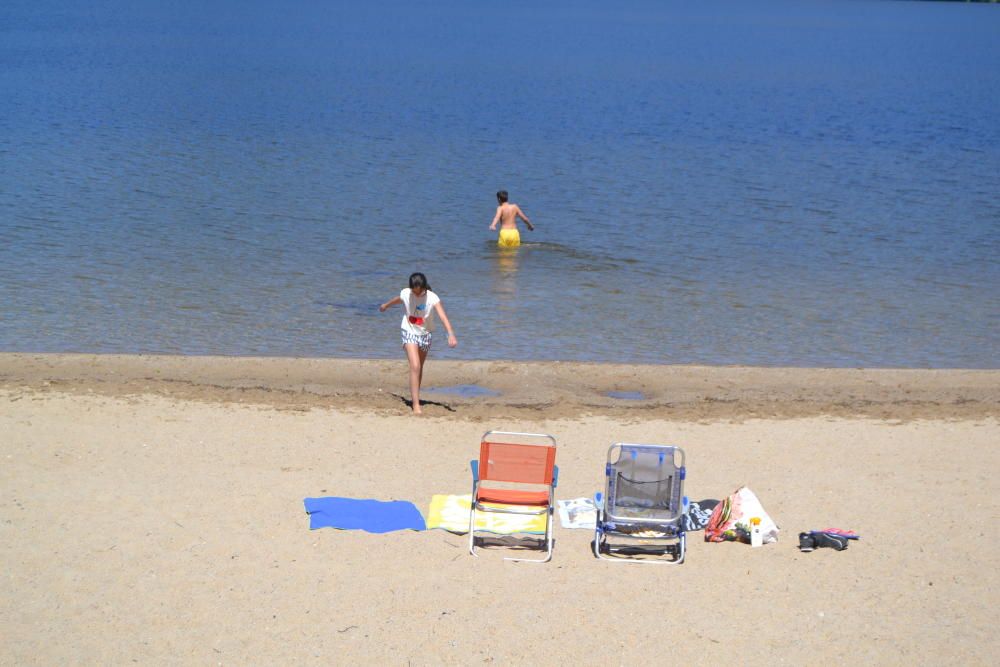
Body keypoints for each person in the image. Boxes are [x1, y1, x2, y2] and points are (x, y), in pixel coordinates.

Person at [379, 272, 457, 414]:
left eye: (419, 292)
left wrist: (450, 334)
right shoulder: (406, 293)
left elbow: (443, 316)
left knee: (419, 367)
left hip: (425, 334)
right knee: (414, 365)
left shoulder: (432, 297)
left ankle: (416, 396)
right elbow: (398, 299)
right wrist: (385, 305)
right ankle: (416, 405)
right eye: (414, 292)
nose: (416, 295)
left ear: (424, 288)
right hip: (409, 331)